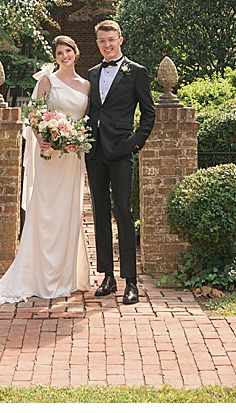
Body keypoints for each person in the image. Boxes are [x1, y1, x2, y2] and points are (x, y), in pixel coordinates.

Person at [0, 36, 93, 306]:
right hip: (50, 154)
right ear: (56, 56)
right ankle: (42, 276)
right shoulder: (48, 81)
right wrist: (43, 139)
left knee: (68, 213)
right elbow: (34, 116)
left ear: (76, 52)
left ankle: (67, 276)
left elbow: (86, 121)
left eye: (68, 51)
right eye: (59, 52)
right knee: (47, 211)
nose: (64, 56)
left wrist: (76, 140)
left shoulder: (86, 85)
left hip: (72, 157)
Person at [85, 18, 154, 305]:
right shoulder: (90, 74)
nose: (107, 44)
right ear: (98, 43)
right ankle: (107, 277)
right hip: (95, 152)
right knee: (100, 214)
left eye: (111, 39)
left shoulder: (136, 72)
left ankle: (131, 282)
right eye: (102, 40)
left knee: (123, 213)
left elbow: (149, 113)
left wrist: (135, 142)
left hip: (122, 152)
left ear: (120, 40)